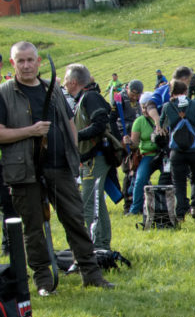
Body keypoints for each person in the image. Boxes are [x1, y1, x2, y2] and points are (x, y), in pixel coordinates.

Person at [0, 42, 112, 294]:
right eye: (21, 61)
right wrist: (30, 131)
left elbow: (69, 123)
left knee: (75, 219)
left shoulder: (53, 90)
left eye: (30, 60)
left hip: (60, 167)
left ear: (39, 62)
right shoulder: (5, 92)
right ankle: (43, 280)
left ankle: (91, 274)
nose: (26, 65)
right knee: (33, 227)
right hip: (23, 170)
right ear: (12, 63)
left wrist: (74, 154)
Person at [65, 63, 116, 251]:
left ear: (73, 82)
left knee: (88, 204)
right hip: (93, 157)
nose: (64, 84)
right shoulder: (86, 97)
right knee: (97, 203)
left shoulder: (90, 97)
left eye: (66, 80)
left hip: (96, 157)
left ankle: (94, 246)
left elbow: (100, 124)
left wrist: (75, 136)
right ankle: (101, 244)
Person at [159, 79, 195, 219]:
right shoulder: (194, 105)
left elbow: (162, 126)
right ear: (186, 91)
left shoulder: (167, 106)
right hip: (194, 149)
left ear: (172, 92)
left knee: (179, 182)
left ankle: (181, 212)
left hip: (176, 150)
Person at [110, 79, 143, 212]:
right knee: (128, 170)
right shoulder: (120, 99)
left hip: (136, 137)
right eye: (133, 93)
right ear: (128, 88)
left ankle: (138, 201)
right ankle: (127, 204)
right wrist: (119, 139)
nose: (134, 97)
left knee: (136, 168)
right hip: (124, 138)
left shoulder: (139, 101)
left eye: (137, 95)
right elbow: (111, 120)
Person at [128, 93, 161, 217]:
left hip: (162, 155)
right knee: (140, 179)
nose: (144, 110)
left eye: (146, 106)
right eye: (142, 107)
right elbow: (135, 144)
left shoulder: (161, 118)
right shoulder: (139, 121)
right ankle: (135, 209)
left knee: (167, 178)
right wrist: (128, 142)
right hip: (147, 155)